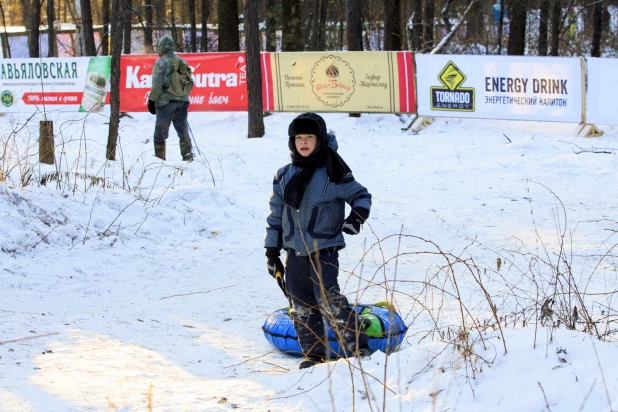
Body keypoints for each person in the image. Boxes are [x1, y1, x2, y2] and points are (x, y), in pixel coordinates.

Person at [264, 112, 373, 369]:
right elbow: (275, 216)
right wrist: (271, 252)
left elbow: (361, 195)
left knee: (328, 300)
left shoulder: (332, 172)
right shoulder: (283, 175)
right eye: (298, 137)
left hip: (323, 248)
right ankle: (313, 354)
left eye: (309, 137)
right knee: (300, 304)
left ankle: (359, 348)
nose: (303, 142)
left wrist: (354, 219)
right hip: (294, 252)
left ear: (319, 140)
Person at [147, 35, 193, 162]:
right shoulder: (182, 61)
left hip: (166, 102)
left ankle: (159, 160)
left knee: (160, 133)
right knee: (183, 130)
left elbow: (157, 85)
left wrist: (152, 100)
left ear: (162, 47)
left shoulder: (161, 62)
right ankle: (188, 156)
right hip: (183, 100)